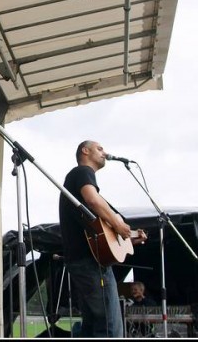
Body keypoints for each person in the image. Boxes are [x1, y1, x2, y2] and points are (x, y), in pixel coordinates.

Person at [58, 140, 147, 337]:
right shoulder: (81, 172)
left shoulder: (79, 181)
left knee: (92, 327)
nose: (104, 153)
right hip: (92, 263)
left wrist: (127, 238)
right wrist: (118, 224)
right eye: (100, 149)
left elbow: (100, 228)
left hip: (85, 261)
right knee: (110, 328)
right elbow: (92, 199)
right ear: (85, 150)